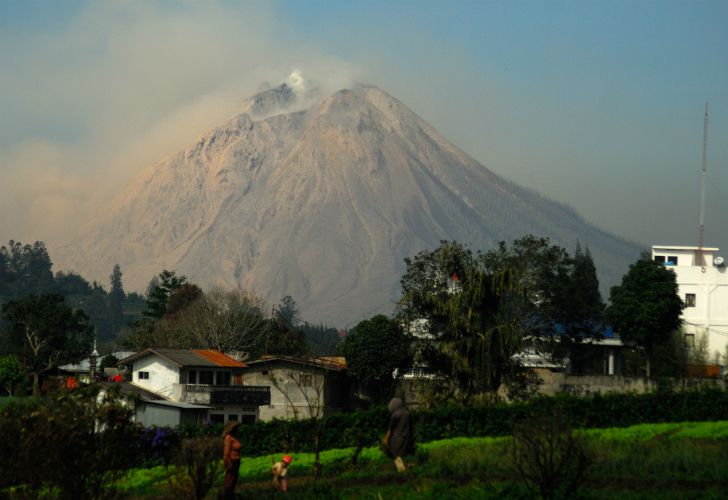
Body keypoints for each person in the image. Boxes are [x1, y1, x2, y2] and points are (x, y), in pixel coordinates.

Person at [383, 397, 414, 472]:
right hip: (406, 437)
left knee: (396, 455)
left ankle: (401, 471)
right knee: (403, 455)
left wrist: (386, 439)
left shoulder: (395, 415)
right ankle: (405, 469)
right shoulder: (407, 413)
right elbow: (411, 427)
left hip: (396, 439)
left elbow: (390, 430)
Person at [222, 420, 242, 499]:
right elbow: (226, 453)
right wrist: (228, 462)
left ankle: (230, 494)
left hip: (236, 461)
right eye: (236, 428)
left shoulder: (235, 438)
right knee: (229, 479)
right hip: (231, 461)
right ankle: (226, 495)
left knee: (234, 479)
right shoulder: (229, 438)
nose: (237, 429)